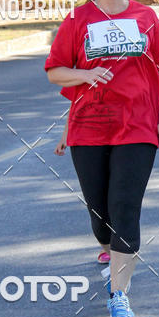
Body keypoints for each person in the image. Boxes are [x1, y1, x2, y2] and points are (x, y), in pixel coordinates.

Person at [45, 0, 159, 317]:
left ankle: (118, 293)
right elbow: (55, 71)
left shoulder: (146, 18)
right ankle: (108, 247)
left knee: (124, 207)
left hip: (137, 125)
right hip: (89, 127)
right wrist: (85, 73)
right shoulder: (77, 19)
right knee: (99, 212)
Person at [54, 113, 109, 264]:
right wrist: (66, 134)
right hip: (87, 139)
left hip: (125, 138)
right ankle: (109, 247)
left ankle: (121, 252)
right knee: (97, 204)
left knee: (119, 200)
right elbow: (77, 101)